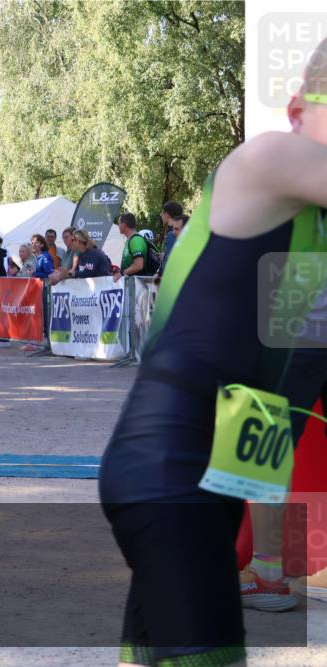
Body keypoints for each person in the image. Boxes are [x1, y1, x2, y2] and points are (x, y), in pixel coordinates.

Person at [99, 38, 327, 667]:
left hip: (199, 491)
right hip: (167, 474)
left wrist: (255, 539)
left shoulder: (307, 261)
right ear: (297, 107)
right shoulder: (271, 159)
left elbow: (271, 386)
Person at [115, 212, 154, 281]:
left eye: (119, 223)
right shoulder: (131, 239)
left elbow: (138, 265)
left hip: (137, 284)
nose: (118, 226)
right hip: (131, 283)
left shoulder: (136, 240)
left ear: (123, 225)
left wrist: (122, 273)